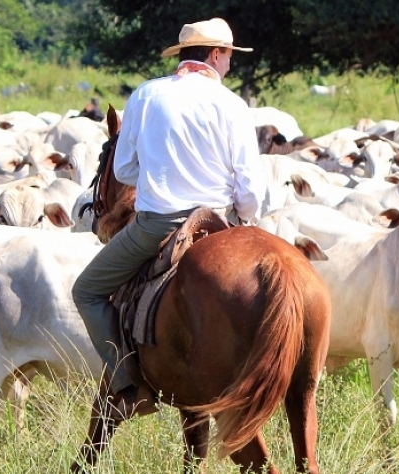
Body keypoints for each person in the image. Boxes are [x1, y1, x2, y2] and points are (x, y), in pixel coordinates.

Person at [72, 17, 265, 405]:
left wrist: (162, 167)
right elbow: (251, 187)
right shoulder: (234, 104)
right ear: (216, 54)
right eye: (229, 56)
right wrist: (243, 220)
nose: (230, 64)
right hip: (222, 223)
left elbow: (124, 169)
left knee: (88, 291)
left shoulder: (146, 95)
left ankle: (129, 382)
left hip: (158, 226)